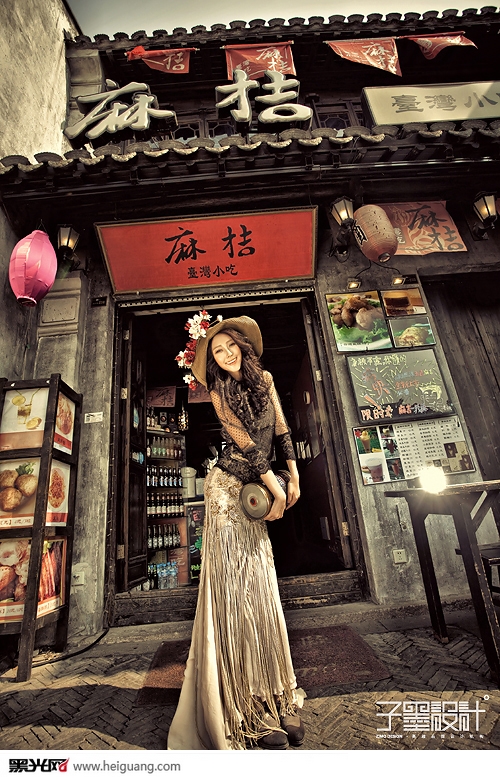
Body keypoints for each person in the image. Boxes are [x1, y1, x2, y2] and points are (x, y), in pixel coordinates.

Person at [167, 315, 304, 751]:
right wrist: (276, 488)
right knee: (236, 595)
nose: (226, 356)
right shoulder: (218, 393)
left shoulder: (266, 380)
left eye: (231, 347)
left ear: (244, 347)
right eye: (218, 351)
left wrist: (294, 476)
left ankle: (278, 694)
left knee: (262, 590)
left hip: (257, 489)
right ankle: (245, 705)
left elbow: (281, 429)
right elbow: (245, 443)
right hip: (228, 492)